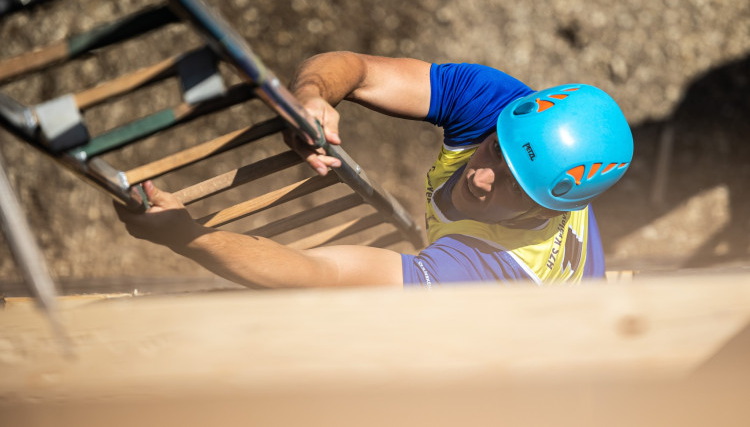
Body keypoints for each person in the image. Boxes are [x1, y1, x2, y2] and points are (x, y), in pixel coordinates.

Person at [115, 51, 633, 288]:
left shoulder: (490, 270)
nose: (481, 176)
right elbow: (358, 70)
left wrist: (188, 236)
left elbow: (323, 272)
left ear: (545, 207)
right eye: (496, 152)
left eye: (513, 187)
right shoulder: (509, 111)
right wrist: (311, 97)